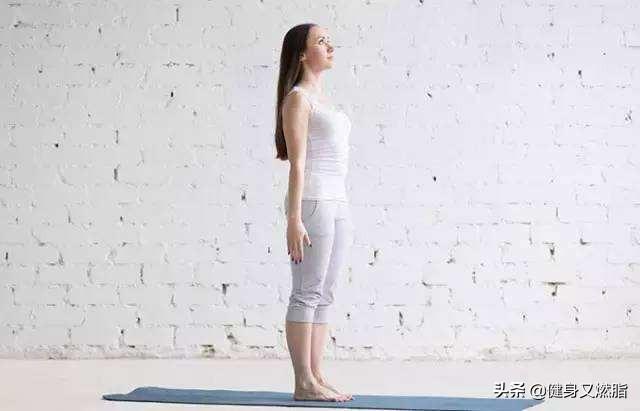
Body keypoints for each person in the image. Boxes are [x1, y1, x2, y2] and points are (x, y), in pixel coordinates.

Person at [274, 23, 355, 402]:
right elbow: (297, 163)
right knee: (306, 292)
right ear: (303, 54)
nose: (330, 45)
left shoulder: (323, 99)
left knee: (325, 293)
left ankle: (316, 374)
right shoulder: (298, 99)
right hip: (314, 201)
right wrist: (294, 218)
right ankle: (303, 381)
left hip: (338, 200)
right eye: (321, 41)